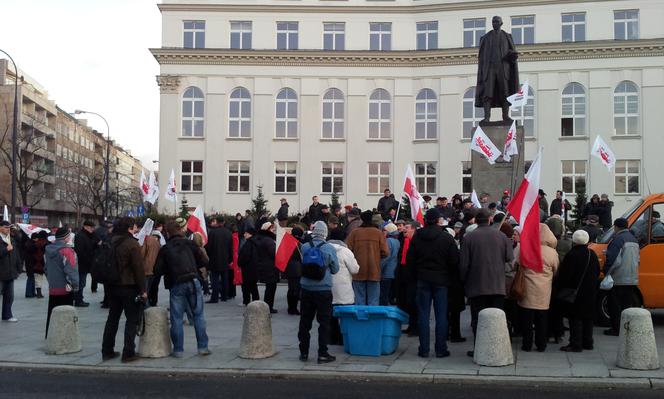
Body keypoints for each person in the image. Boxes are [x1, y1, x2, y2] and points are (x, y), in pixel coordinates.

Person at [460, 209, 514, 357]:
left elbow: (464, 264)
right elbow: (510, 258)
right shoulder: (502, 236)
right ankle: (500, 348)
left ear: (476, 220)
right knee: (498, 318)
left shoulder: (469, 238)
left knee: (478, 319)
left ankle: (479, 348)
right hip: (497, 284)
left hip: (476, 285)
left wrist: (463, 281)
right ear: (490, 219)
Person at [407, 209, 460, 358]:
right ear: (438, 220)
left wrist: (413, 278)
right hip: (441, 280)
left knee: (423, 315)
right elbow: (454, 261)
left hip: (422, 279)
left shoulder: (417, 237)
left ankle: (423, 349)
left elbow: (410, 260)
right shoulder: (446, 238)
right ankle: (441, 349)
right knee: (441, 315)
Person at [153, 220, 210, 358]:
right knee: (199, 315)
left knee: (176, 318)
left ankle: (178, 350)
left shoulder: (165, 249)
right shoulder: (190, 244)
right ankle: (203, 347)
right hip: (193, 280)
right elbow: (204, 261)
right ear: (180, 230)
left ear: (168, 232)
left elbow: (157, 270)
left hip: (176, 283)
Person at [101, 217, 146, 363]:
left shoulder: (110, 241)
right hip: (128, 286)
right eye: (134, 226)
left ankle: (107, 350)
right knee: (131, 319)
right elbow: (138, 269)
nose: (136, 229)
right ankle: (128, 352)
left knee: (112, 318)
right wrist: (143, 289)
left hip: (111, 285)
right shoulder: (132, 244)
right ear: (129, 228)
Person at [298, 221, 339, 363]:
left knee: (305, 321)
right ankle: (323, 353)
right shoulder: (329, 248)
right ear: (325, 234)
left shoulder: (304, 247)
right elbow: (335, 269)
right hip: (323, 290)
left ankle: (303, 353)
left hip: (306, 288)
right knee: (324, 323)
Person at [518, 223, 559, 352]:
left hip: (527, 288)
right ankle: (541, 344)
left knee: (527, 320)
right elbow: (556, 269)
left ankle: (527, 344)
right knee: (542, 320)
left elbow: (517, 264)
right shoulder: (552, 252)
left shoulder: (526, 247)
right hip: (544, 290)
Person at [557, 230, 600, 352]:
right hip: (590, 291)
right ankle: (588, 342)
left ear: (574, 241)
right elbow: (597, 271)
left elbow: (565, 275)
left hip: (575, 292)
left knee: (575, 318)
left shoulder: (572, 255)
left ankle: (575, 343)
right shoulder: (592, 254)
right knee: (588, 318)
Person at [474, 15, 519, 122]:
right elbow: (481, 57)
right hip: (489, 70)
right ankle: (486, 117)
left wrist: (512, 55)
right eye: (493, 22)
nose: (494, 23)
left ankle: (505, 116)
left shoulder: (507, 36)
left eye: (496, 22)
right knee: (487, 94)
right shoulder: (485, 38)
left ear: (501, 23)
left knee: (505, 92)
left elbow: (512, 52)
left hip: (503, 69)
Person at [604, 218, 640, 336]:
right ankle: (626, 328)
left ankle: (616, 329)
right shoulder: (634, 239)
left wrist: (606, 272)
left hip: (618, 278)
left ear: (616, 227)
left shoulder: (617, 239)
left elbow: (613, 259)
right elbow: (638, 260)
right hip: (632, 278)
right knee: (626, 306)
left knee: (615, 306)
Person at [346, 210, 389, 306]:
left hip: (358, 270)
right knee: (373, 301)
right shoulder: (378, 233)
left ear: (362, 219)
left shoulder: (354, 233)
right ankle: (372, 320)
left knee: (359, 299)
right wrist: (376, 257)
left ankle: (360, 320)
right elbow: (385, 252)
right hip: (374, 270)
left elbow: (348, 250)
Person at [44, 227, 79, 338]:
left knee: (52, 312)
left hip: (53, 287)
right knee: (66, 314)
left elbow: (46, 269)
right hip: (65, 288)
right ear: (66, 237)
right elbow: (71, 270)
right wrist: (75, 285)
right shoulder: (67, 251)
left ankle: (50, 336)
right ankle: (65, 337)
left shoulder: (48, 249)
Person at [328, 228, 360, 345]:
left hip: (328, 286)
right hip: (343, 288)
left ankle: (331, 338)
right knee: (345, 315)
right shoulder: (345, 251)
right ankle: (343, 338)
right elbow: (354, 269)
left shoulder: (324, 248)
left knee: (330, 315)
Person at [397, 221, 420, 336]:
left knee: (414, 302)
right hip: (404, 276)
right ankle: (411, 326)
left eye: (407, 227)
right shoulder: (404, 241)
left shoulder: (415, 242)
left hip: (413, 277)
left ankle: (416, 327)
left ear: (414, 229)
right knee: (408, 302)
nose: (404, 229)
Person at [205, 216, 234, 303]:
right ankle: (224, 296)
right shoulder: (229, 233)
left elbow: (209, 247)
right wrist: (230, 259)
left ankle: (214, 298)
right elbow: (230, 248)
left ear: (217, 222)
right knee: (225, 279)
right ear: (224, 222)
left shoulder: (213, 233)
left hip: (214, 259)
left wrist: (209, 255)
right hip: (225, 259)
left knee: (215, 280)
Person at [73, 220, 99, 307]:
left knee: (82, 282)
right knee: (81, 282)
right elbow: (80, 251)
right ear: (86, 227)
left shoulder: (87, 235)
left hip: (85, 263)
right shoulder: (80, 236)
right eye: (91, 228)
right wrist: (88, 259)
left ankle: (79, 298)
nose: (93, 229)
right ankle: (78, 300)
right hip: (82, 264)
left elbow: (90, 246)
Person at [0, 221, 21, 322]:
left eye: (9, 227)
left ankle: (7, 315)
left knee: (9, 296)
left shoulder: (11, 239)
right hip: (1, 273)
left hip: (10, 272)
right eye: (5, 227)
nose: (8, 229)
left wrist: (19, 266)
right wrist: (5, 250)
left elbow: (16, 254)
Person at [379, 223, 400, 306]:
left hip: (386, 272)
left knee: (383, 295)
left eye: (384, 230)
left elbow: (386, 257)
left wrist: (379, 267)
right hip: (394, 271)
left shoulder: (388, 241)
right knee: (389, 294)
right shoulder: (397, 241)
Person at [238, 228, 260, 305]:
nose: (244, 235)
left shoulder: (248, 243)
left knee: (246, 286)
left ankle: (246, 301)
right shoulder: (256, 242)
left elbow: (245, 256)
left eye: (246, 233)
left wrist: (239, 263)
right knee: (253, 286)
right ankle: (256, 301)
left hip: (247, 268)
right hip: (254, 267)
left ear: (250, 234)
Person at [26, 231, 48, 299]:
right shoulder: (46, 243)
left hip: (36, 263)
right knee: (49, 279)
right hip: (44, 263)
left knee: (38, 279)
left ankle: (38, 293)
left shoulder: (35, 244)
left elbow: (30, 252)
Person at [141, 229, 161, 305]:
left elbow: (142, 254)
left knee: (145, 289)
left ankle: (145, 305)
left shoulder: (147, 241)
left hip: (146, 269)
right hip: (155, 270)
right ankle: (153, 302)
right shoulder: (159, 245)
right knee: (154, 287)